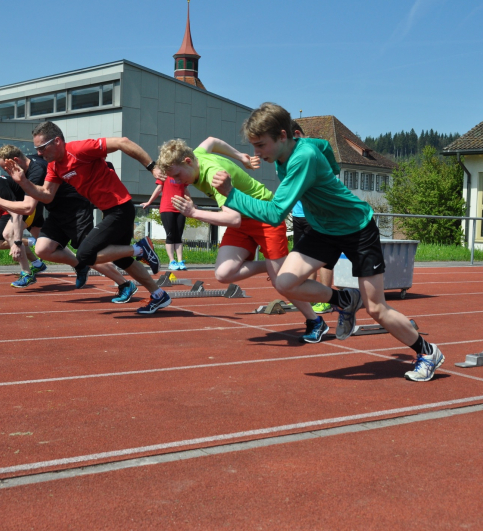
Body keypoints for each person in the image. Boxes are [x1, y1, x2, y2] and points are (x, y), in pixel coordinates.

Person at [215, 102, 444, 381]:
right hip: (324, 229)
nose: (257, 153)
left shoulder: (303, 157)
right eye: (254, 146)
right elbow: (324, 145)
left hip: (357, 228)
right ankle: (344, 300)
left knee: (376, 308)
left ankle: (427, 351)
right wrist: (331, 171)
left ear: (283, 136)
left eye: (261, 145)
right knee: (285, 282)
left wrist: (231, 194)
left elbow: (275, 213)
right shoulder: (288, 152)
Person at [158, 137, 327, 344]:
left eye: (177, 175)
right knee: (223, 273)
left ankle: (316, 321)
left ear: (188, 161)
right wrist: (240, 157)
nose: (177, 182)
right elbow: (211, 141)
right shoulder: (197, 154)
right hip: (243, 218)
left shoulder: (214, 175)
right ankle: (271, 266)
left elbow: (233, 219)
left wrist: (194, 212)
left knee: (282, 283)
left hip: (264, 215)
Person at [11, 121, 170, 314]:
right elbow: (47, 195)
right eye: (36, 148)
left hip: (120, 207)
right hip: (110, 211)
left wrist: (152, 166)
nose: (38, 153)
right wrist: (24, 182)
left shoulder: (79, 149)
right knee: (122, 259)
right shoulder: (54, 167)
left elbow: (123, 142)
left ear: (57, 141)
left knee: (85, 255)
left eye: (42, 147)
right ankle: (158, 294)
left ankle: (141, 249)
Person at [0, 145, 134, 302]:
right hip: (56, 213)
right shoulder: (32, 161)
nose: (7, 173)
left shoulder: (36, 172)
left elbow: (28, 208)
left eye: (6, 168)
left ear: (15, 161)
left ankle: (125, 284)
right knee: (43, 249)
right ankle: (80, 265)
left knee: (88, 253)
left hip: (75, 211)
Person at [289, 121, 335, 314]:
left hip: (317, 216)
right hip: (298, 215)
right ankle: (309, 296)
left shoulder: (313, 152)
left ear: (297, 134)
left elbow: (326, 147)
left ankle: (326, 299)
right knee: (304, 258)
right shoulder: (291, 156)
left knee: (323, 259)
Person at [140, 174, 189, 271]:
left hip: (180, 209)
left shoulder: (182, 176)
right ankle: (172, 261)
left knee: (178, 235)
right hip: (167, 208)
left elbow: (185, 191)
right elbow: (158, 189)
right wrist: (149, 202)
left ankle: (180, 261)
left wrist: (190, 202)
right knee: (170, 235)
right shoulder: (164, 175)